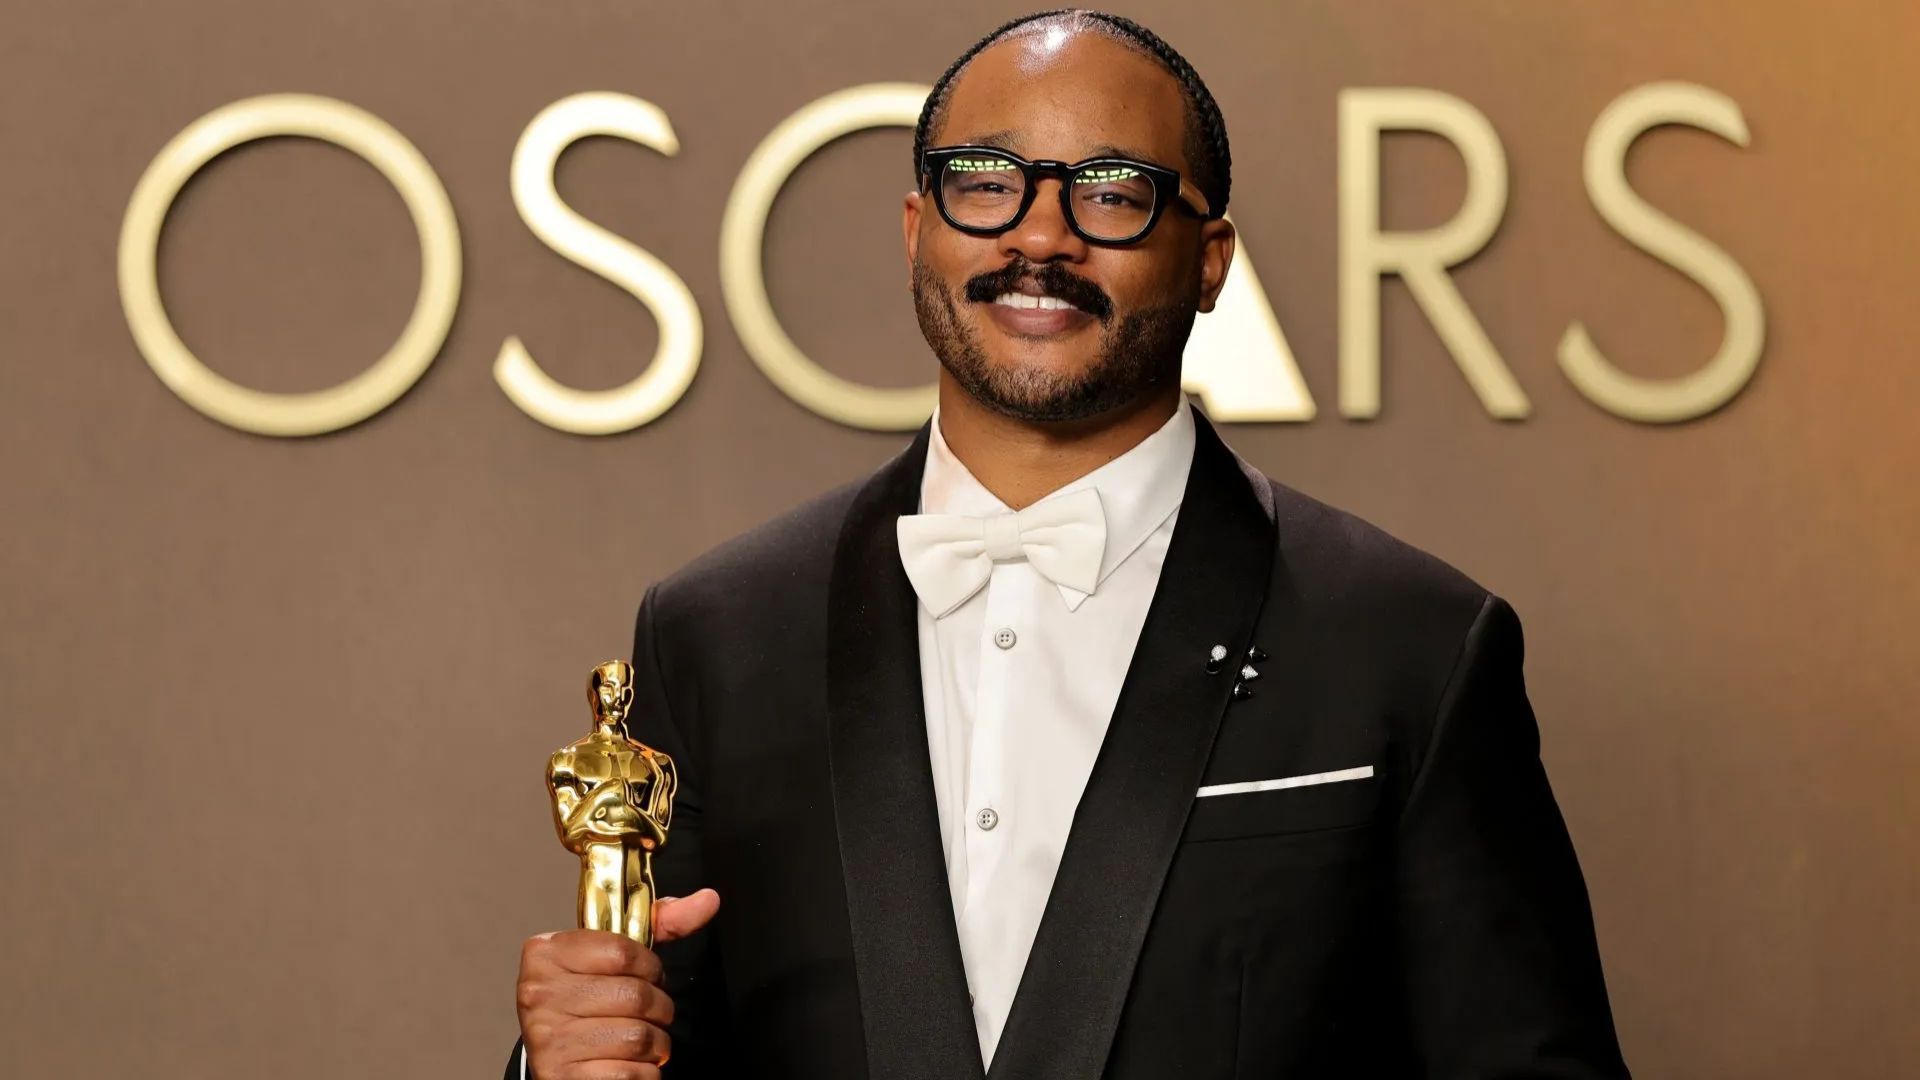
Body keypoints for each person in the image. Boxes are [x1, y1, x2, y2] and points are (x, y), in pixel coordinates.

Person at [509, 9, 1631, 1078]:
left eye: (1114, 194)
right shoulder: (718, 634)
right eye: (987, 184)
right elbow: (656, 1042)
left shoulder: (1413, 647)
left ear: (1211, 260)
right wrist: (566, 1060)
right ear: (918, 233)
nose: (1040, 237)